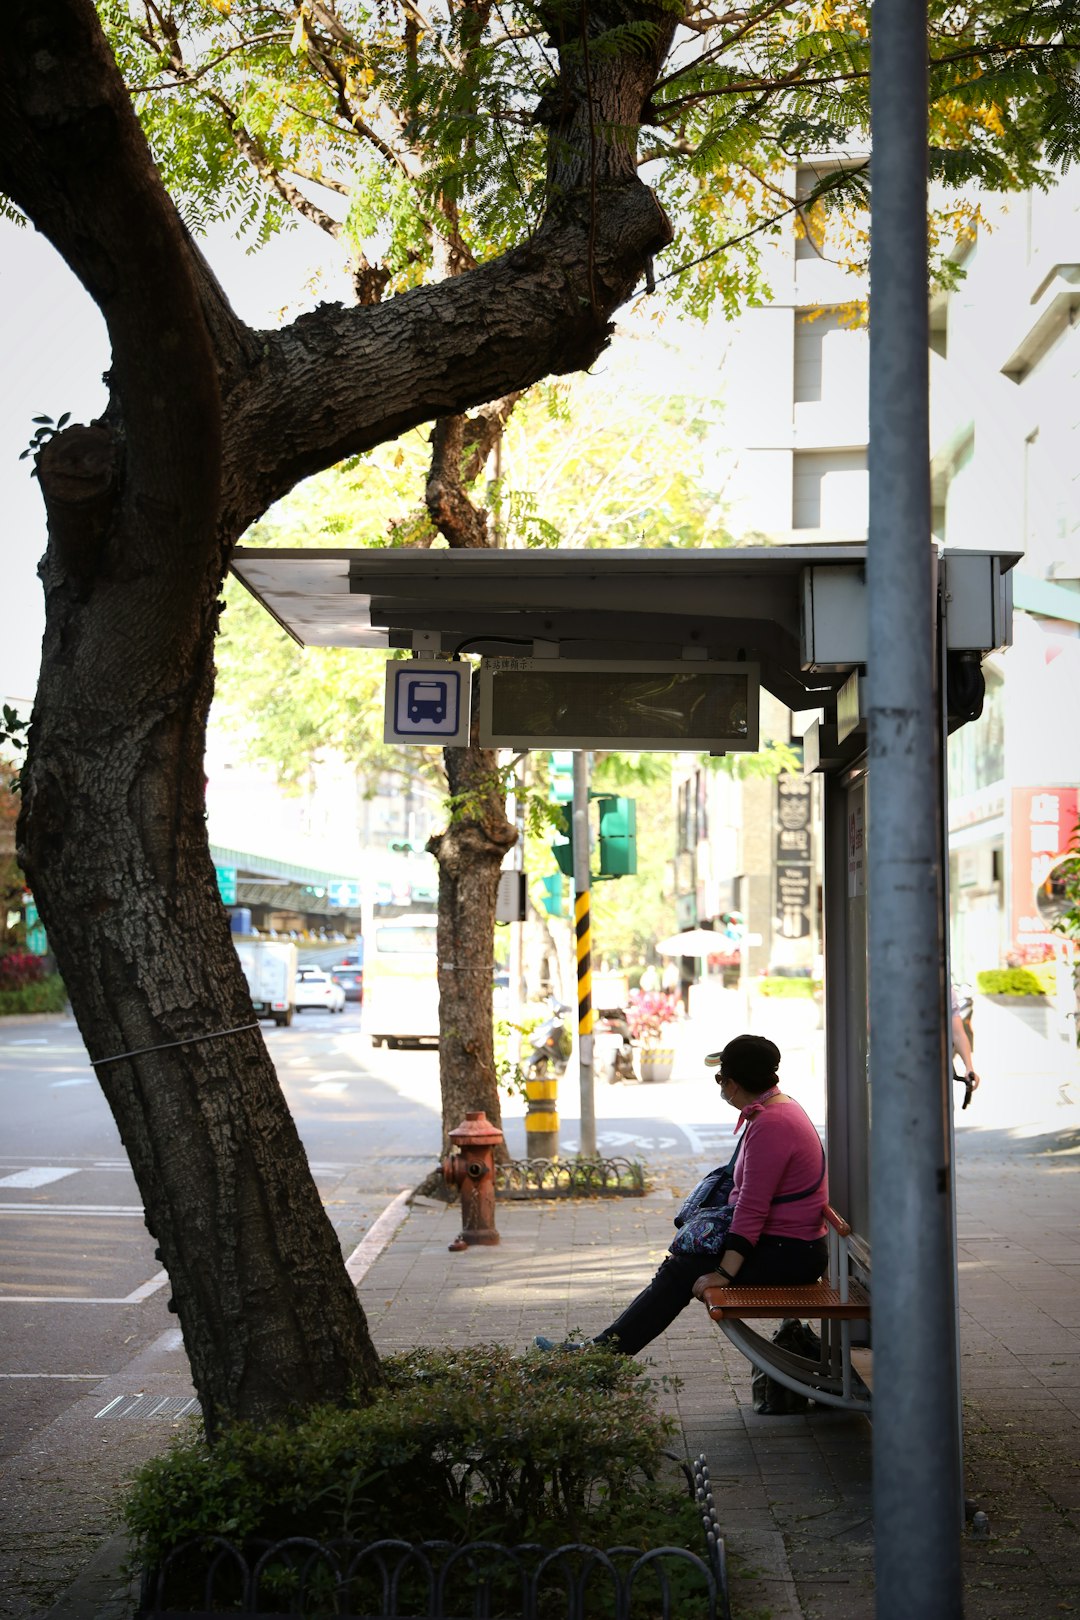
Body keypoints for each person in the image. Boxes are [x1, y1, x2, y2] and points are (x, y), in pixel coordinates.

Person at [535, 1034, 828, 1357]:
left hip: (790, 1255)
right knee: (680, 1265)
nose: (720, 1087)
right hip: (787, 1246)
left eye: (720, 1078)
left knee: (682, 1269)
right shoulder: (776, 1109)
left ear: (732, 1084)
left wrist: (723, 1274)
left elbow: (752, 1208)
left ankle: (600, 1356)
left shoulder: (772, 1124)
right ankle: (601, 1352)